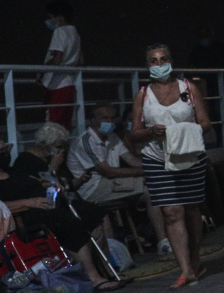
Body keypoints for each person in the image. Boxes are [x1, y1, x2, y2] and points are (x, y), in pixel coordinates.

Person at [0, 132, 128, 292]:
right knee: (68, 222)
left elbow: (36, 183)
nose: (6, 153)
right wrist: (27, 202)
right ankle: (93, 277)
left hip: (46, 206)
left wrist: (51, 186)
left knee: (92, 216)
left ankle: (107, 270)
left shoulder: (12, 171)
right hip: (25, 215)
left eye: (6, 148)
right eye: (1, 151)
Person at [129, 44, 211, 289]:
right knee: (171, 212)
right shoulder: (143, 94)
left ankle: (195, 258)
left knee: (193, 210)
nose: (159, 64)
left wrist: (182, 131)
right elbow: (134, 133)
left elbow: (205, 123)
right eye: (153, 61)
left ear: (171, 61)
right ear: (148, 66)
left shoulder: (189, 88)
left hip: (189, 156)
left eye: (163, 59)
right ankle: (185, 270)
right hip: (157, 158)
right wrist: (150, 132)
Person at [68, 103, 170, 254]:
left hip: (110, 183)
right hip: (93, 188)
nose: (109, 121)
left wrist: (155, 166)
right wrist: (142, 171)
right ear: (93, 120)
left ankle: (165, 239)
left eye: (111, 118)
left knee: (156, 186)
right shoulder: (87, 141)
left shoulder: (113, 137)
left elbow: (132, 160)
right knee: (150, 191)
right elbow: (107, 172)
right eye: (104, 118)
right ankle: (163, 242)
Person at [39, 0, 82, 129]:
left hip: (56, 84)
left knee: (52, 125)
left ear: (59, 17)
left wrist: (40, 71)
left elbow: (57, 59)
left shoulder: (60, 31)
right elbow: (80, 60)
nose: (48, 21)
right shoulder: (75, 33)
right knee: (64, 124)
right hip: (69, 83)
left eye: (50, 17)